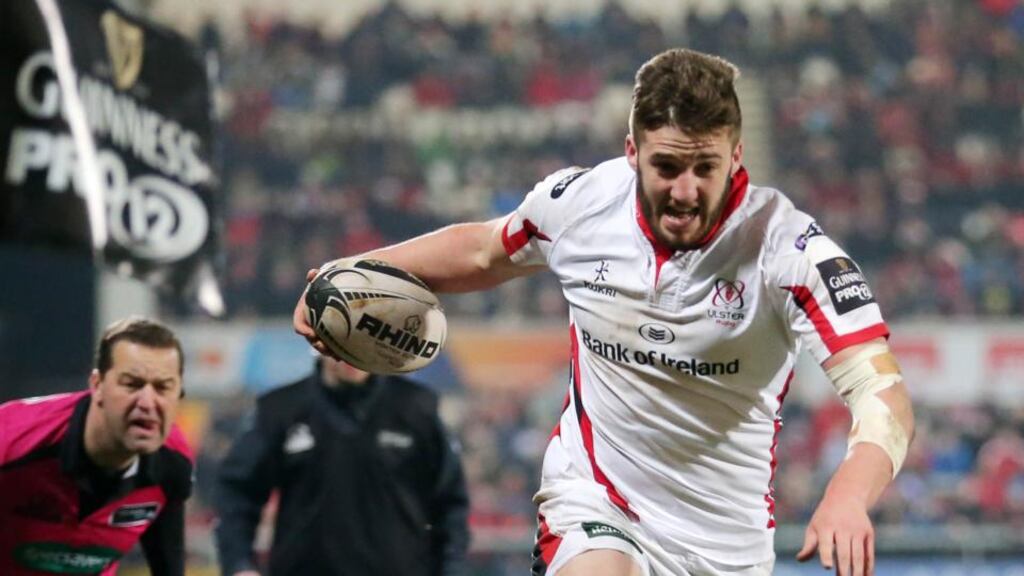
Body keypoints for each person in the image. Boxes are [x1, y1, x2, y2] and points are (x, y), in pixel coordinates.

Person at [293, 48, 915, 576]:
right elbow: (484, 251)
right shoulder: (582, 203)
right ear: (631, 151)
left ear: (737, 155)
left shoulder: (791, 251)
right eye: (666, 166)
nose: (685, 190)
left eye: (706, 167)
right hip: (597, 502)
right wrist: (351, 275)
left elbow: (883, 396)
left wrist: (847, 495)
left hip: (725, 547)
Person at [214, 356, 470, 576]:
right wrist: (240, 564)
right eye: (341, 338)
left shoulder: (417, 408)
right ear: (319, 338)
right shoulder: (280, 409)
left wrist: (451, 570)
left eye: (360, 339)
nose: (351, 352)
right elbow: (236, 492)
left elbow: (451, 504)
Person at [0, 317, 193, 576]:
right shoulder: (13, 440)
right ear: (97, 386)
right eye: (131, 384)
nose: (147, 402)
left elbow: (168, 565)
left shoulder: (174, 464)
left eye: (162, 388)